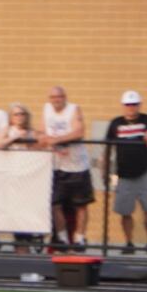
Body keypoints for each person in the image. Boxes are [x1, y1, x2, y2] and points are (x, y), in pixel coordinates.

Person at [105, 90, 147, 254]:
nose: (131, 108)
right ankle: (129, 243)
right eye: (128, 104)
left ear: (139, 105)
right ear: (123, 106)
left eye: (134, 104)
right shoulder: (115, 123)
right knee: (125, 212)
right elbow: (107, 147)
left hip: (145, 173)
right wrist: (106, 169)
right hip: (124, 174)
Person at [41, 86, 93, 249]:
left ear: (65, 97)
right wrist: (45, 140)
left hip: (77, 165)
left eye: (60, 97)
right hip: (57, 166)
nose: (56, 100)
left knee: (81, 204)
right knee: (55, 204)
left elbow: (79, 132)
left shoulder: (73, 109)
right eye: (53, 97)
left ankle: (79, 237)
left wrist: (57, 140)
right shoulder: (47, 109)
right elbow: (43, 132)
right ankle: (62, 238)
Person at [0, 103, 42, 254]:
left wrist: (28, 140)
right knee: (14, 216)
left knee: (27, 215)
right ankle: (18, 248)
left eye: (22, 114)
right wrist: (13, 138)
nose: (19, 117)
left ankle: (31, 243)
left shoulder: (32, 132)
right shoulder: (7, 131)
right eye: (16, 114)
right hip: (11, 179)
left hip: (29, 179)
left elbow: (41, 146)